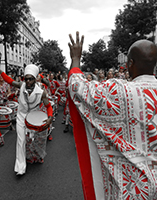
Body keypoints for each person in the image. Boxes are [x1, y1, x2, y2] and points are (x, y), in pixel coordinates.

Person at [67, 32, 157, 199]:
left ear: (130, 63)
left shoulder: (119, 92)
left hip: (133, 188)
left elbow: (78, 88)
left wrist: (75, 59)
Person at [0, 64, 53, 176]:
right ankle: (20, 167)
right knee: (21, 141)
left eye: (30, 79)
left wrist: (50, 118)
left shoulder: (41, 92)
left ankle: (36, 156)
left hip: (34, 118)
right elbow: (10, 81)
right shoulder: (22, 85)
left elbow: (48, 106)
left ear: (35, 79)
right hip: (21, 117)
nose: (28, 81)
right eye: (26, 78)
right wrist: (0, 71)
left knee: (34, 139)